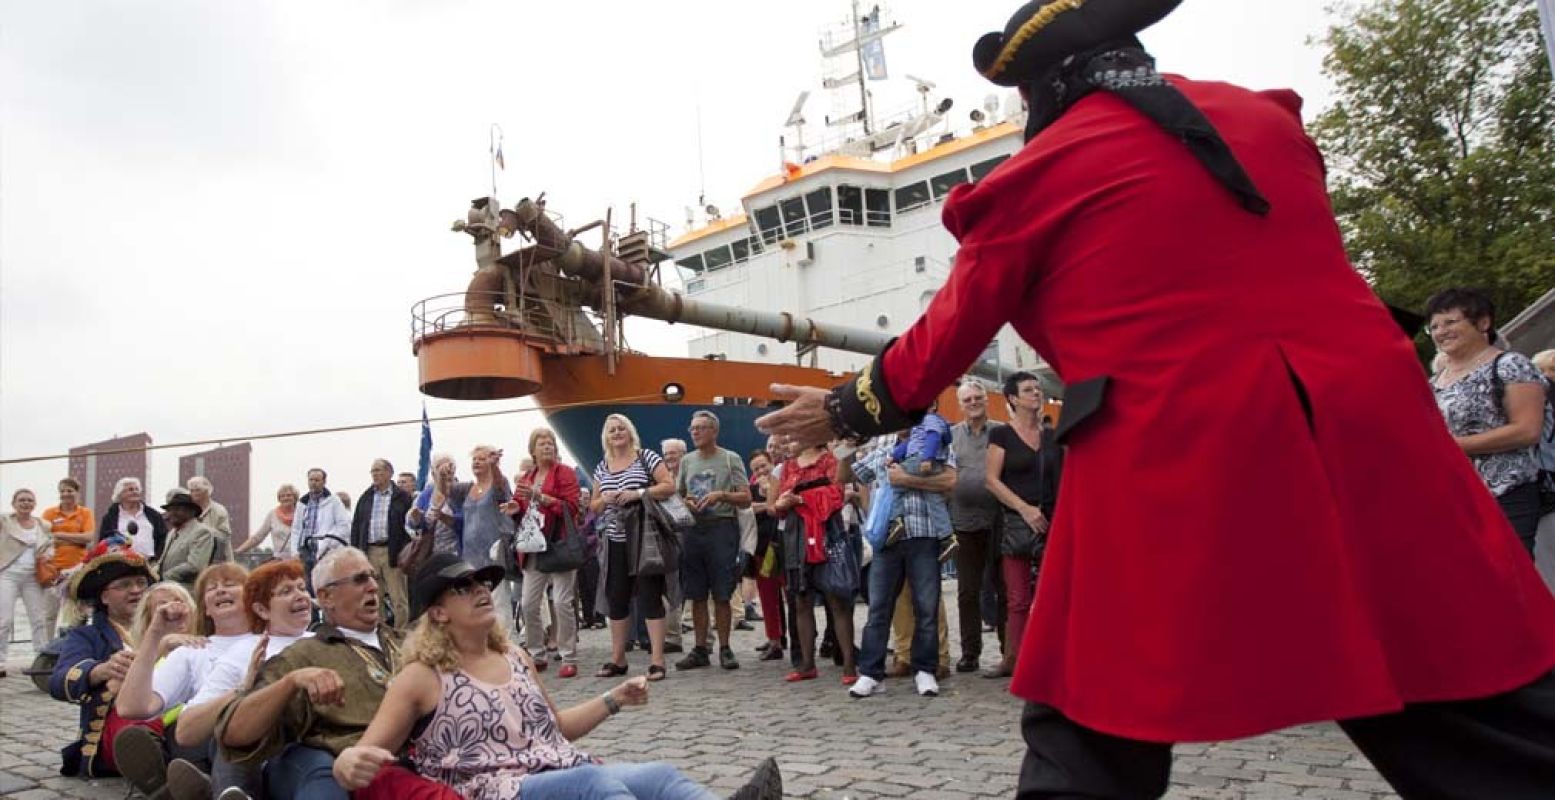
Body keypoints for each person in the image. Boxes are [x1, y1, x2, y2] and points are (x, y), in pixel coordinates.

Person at [757, 2, 1555, 795]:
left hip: (1184, 437)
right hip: (1368, 421)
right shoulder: (1263, 120)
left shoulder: (1041, 169)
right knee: (1443, 665)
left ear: (1042, 90)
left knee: (1093, 707)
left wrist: (844, 410)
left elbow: (951, 327)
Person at [333, 553, 781, 799]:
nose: (481, 592)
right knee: (596, 784)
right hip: (494, 791)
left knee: (660, 776)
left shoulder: (515, 656)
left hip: (556, 769)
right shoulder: (421, 677)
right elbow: (364, 757)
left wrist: (614, 699)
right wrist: (345, 762)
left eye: (483, 584)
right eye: (464, 588)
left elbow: (558, 730)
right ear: (437, 612)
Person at [216, 547, 427, 800]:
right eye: (360, 579)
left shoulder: (413, 642)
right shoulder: (304, 655)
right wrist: (291, 682)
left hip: (428, 759)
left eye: (373, 577)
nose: (372, 586)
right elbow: (234, 734)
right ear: (326, 597)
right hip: (349, 770)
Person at [1427, 287, 1547, 555]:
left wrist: (1454, 446)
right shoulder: (1433, 383)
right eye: (1434, 326)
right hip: (1457, 499)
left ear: (1483, 323)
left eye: (1450, 322)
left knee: (1511, 576)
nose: (1440, 331)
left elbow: (1527, 430)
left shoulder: (1509, 364)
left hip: (1507, 494)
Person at [841, 436, 956, 699]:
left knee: (926, 607)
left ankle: (925, 669)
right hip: (888, 537)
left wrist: (907, 480)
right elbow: (850, 474)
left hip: (924, 534)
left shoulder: (938, 442)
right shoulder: (884, 446)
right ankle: (870, 673)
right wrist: (845, 448)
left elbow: (951, 481)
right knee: (879, 608)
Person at [982, 372, 1063, 680]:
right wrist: (1024, 509)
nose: (1036, 394)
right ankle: (1018, 662)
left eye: (1038, 389)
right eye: (1028, 390)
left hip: (1052, 521)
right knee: (1017, 598)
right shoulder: (1002, 435)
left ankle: (1050, 659)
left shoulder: (1051, 435)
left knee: (1051, 595)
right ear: (1013, 399)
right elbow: (991, 480)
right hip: (1017, 522)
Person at [47, 551, 157, 778]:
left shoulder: (167, 625)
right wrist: (100, 671)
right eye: (125, 585)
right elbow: (58, 682)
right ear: (104, 598)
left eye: (141, 583)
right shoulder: (87, 636)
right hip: (120, 726)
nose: (136, 590)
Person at [591, 413, 677, 680]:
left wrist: (638, 493)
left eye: (621, 429)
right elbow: (592, 506)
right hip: (615, 539)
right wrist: (605, 499)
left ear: (630, 433)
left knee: (650, 597)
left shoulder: (646, 457)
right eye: (612, 430)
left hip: (644, 536)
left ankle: (657, 660)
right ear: (606, 437)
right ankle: (618, 658)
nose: (617, 433)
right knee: (617, 599)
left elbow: (668, 486)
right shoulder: (602, 466)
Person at [673, 411, 751, 672]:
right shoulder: (686, 461)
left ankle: (726, 647)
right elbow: (678, 495)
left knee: (722, 592)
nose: (695, 432)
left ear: (714, 431)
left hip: (721, 528)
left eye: (701, 428)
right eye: (692, 428)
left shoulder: (730, 459)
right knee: (695, 593)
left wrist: (721, 495)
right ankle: (700, 648)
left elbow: (746, 498)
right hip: (694, 530)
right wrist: (687, 502)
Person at [772, 443, 857, 684]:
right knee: (801, 599)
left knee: (837, 598)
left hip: (826, 531)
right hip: (795, 533)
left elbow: (837, 494)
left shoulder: (829, 460)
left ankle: (849, 664)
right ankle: (806, 664)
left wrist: (800, 498)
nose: (792, 437)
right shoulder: (788, 465)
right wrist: (782, 504)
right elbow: (775, 504)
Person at [514, 428, 583, 678]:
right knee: (529, 603)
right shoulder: (526, 477)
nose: (547, 447)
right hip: (534, 548)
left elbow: (572, 506)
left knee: (563, 602)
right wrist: (513, 507)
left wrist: (541, 497)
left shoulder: (564, 473)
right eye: (542, 443)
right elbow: (521, 508)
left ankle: (569, 656)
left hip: (560, 543)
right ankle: (537, 653)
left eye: (551, 442)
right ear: (532, 450)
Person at [948, 381, 1006, 673]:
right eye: (967, 399)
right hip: (964, 522)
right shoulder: (951, 436)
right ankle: (970, 652)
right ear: (960, 404)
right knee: (967, 591)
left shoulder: (1002, 432)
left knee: (1002, 588)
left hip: (999, 521)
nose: (973, 402)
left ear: (987, 400)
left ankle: (1010, 651)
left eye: (978, 397)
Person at [459, 445, 518, 634]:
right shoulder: (469, 489)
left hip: (494, 549)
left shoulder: (499, 483)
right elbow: (443, 492)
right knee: (474, 600)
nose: (476, 462)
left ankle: (503, 643)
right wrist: (441, 473)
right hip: (471, 553)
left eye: (481, 459)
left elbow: (500, 486)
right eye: (474, 459)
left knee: (498, 599)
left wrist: (494, 466)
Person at [351, 458, 414, 627]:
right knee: (373, 596)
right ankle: (380, 632)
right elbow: (356, 526)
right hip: (370, 551)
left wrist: (404, 550)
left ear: (389, 473)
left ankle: (401, 634)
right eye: (373, 471)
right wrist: (357, 553)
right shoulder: (366, 497)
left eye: (379, 470)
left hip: (392, 552)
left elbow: (410, 526)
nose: (375, 474)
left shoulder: (402, 497)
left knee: (398, 597)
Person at [1, 488, 54, 677]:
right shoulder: (5, 521)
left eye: (29, 500)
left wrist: (47, 557)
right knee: (4, 620)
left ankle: (42, 659)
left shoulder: (42, 525)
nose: (26, 503)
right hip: (8, 574)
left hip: (33, 577)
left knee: (38, 618)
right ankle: (0, 662)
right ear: (14, 503)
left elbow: (49, 547)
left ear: (34, 504)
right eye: (22, 500)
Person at [746, 451, 787, 661]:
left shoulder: (784, 483)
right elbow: (746, 509)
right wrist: (766, 504)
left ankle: (798, 638)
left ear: (772, 464)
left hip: (786, 547)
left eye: (763, 466)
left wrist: (768, 501)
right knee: (768, 597)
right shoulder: (752, 489)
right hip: (763, 550)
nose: (761, 471)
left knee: (793, 595)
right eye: (756, 468)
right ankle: (774, 641)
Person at [42, 477, 96, 626]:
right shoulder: (49, 513)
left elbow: (88, 537)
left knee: (77, 611)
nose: (66, 494)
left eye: (70, 490)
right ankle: (49, 647)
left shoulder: (85, 513)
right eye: (63, 491)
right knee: (50, 614)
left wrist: (59, 535)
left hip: (77, 569)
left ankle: (75, 642)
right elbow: (44, 538)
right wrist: (76, 539)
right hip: (53, 570)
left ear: (77, 493)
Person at [292, 468, 351, 590]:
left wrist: (328, 541)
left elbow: (343, 526)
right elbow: (296, 529)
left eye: (317, 480)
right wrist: (294, 552)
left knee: (324, 584)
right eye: (311, 480)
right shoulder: (302, 503)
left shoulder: (334, 501)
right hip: (306, 549)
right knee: (307, 587)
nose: (313, 483)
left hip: (325, 550)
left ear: (324, 482)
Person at [158, 491, 232, 588]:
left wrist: (165, 577)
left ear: (191, 511)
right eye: (170, 510)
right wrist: (152, 572)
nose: (171, 513)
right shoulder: (171, 533)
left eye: (177, 509)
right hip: (168, 587)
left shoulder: (201, 532)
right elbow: (162, 562)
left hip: (188, 591)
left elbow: (195, 566)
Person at [407, 453, 463, 560]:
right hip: (430, 554)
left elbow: (467, 523)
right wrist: (416, 518)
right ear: (433, 473)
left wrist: (444, 517)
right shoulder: (425, 495)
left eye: (448, 466)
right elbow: (415, 527)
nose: (444, 470)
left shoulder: (462, 492)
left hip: (456, 553)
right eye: (440, 467)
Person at [97, 477, 167, 559]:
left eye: (137, 489)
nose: (135, 492)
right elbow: (104, 542)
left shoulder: (153, 515)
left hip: (149, 563)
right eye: (130, 489)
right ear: (120, 494)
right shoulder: (110, 518)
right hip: (120, 563)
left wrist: (158, 558)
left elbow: (163, 538)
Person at [238, 484, 300, 557]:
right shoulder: (272, 515)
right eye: (282, 496)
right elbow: (258, 537)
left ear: (295, 498)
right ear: (279, 499)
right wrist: (239, 550)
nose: (285, 498)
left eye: (289, 495)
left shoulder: (302, 514)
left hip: (299, 559)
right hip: (280, 560)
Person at [187, 477, 235, 551]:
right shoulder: (188, 511)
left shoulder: (219, 510)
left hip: (215, 556)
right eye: (191, 490)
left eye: (197, 490)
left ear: (207, 491)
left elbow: (224, 536)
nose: (194, 493)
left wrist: (203, 530)